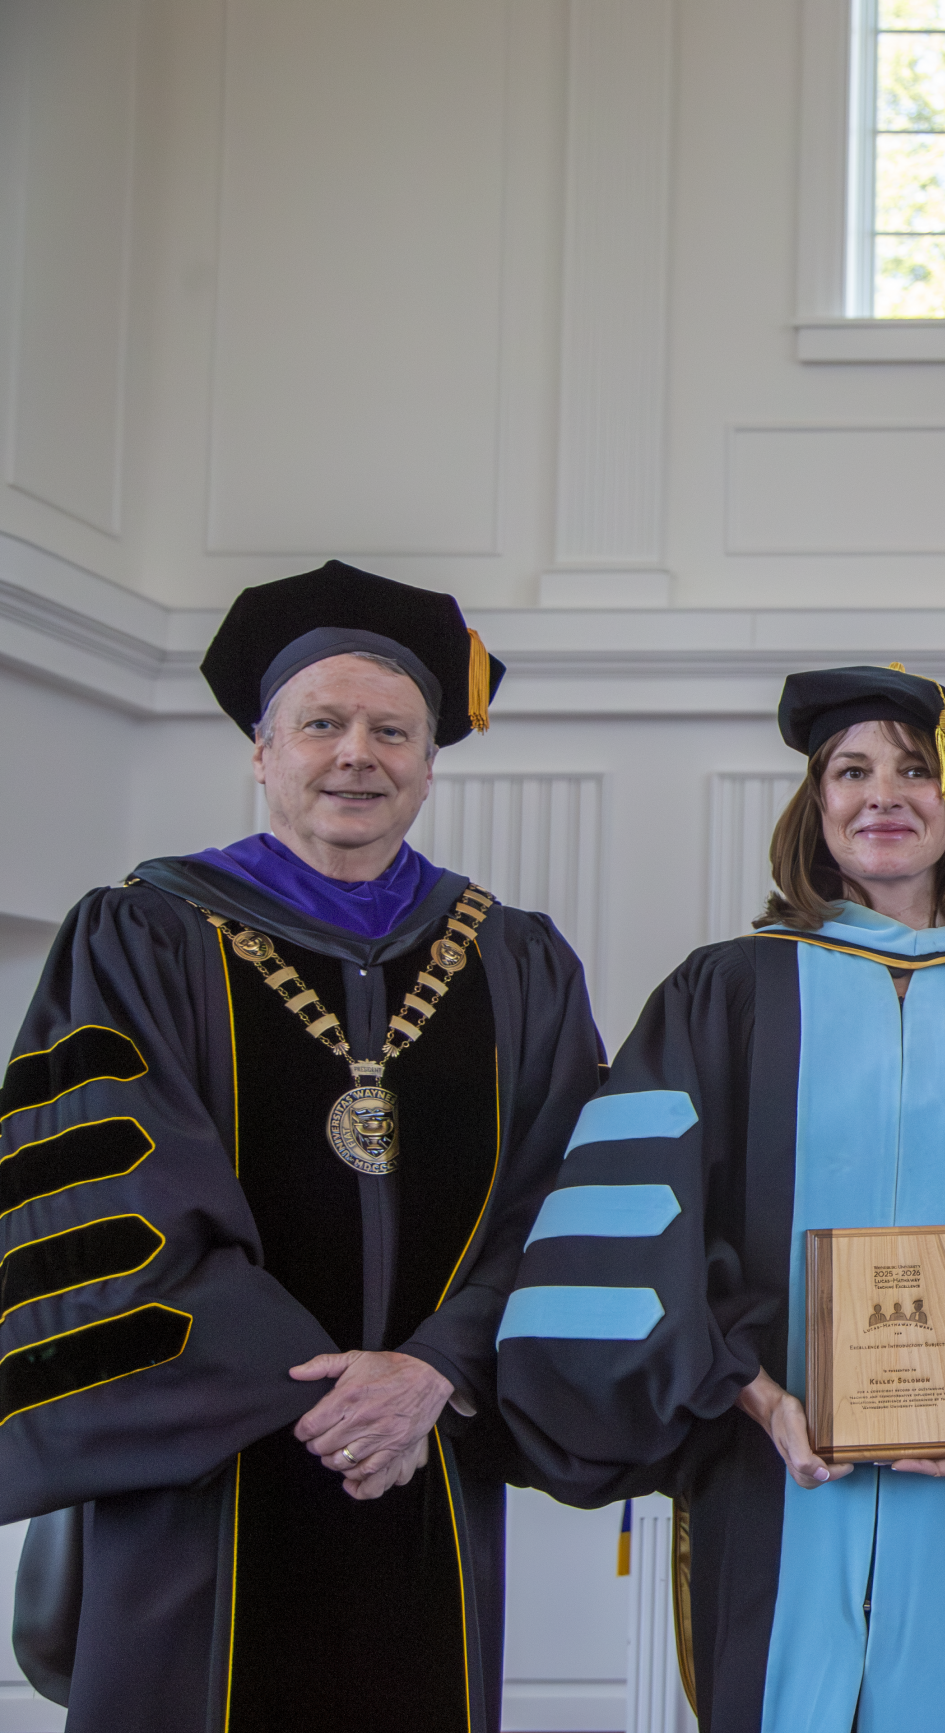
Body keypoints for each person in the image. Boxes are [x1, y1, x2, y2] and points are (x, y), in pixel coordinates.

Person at [0, 562, 604, 1732]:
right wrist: (333, 1395)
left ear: (431, 763)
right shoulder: (146, 932)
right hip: (204, 1469)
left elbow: (566, 1199)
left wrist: (435, 1369)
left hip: (432, 1445)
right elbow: (114, 1192)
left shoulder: (518, 962)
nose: (355, 754)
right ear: (263, 750)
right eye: (321, 723)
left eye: (392, 729)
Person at [496, 665, 945, 1733]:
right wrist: (759, 1394)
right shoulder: (725, 988)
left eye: (912, 770)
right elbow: (641, 1226)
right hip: (771, 1459)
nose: (881, 794)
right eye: (850, 769)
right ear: (815, 802)